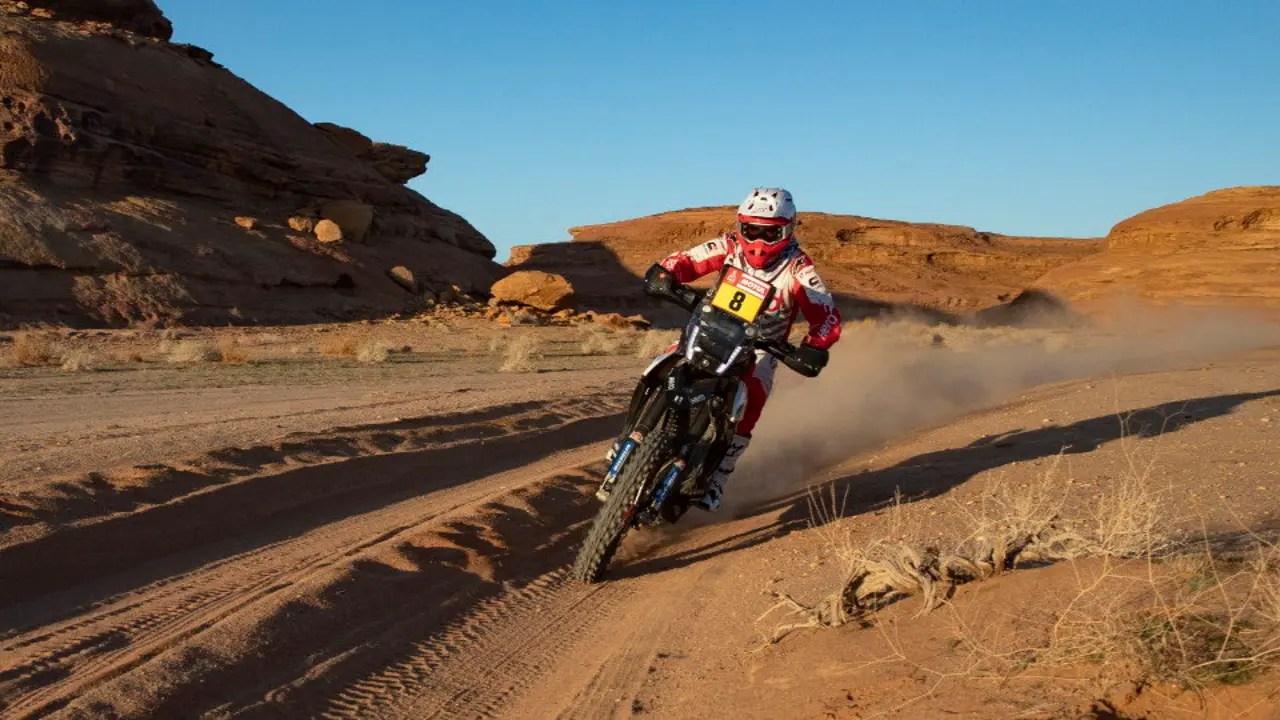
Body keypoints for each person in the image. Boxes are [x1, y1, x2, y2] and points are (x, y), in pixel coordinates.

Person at [613, 187, 843, 511]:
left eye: (770, 232)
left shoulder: (800, 270)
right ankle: (629, 435)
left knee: (753, 398)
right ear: (741, 226)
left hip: (760, 347)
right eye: (753, 230)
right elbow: (688, 260)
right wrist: (667, 274)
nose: (760, 241)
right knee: (663, 363)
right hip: (710, 326)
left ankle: (719, 476)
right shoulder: (729, 246)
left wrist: (814, 347)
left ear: (788, 229)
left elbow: (827, 316)